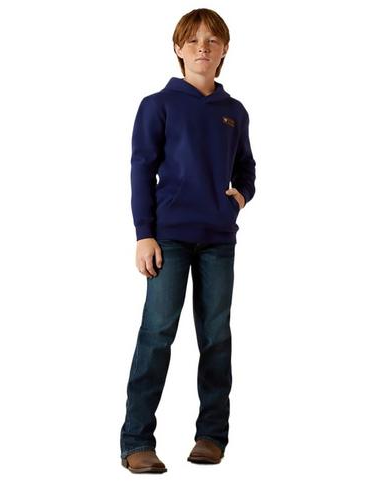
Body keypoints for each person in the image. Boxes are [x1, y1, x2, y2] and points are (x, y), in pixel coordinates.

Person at [120, 8, 256, 474]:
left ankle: (211, 437)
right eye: (194, 40)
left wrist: (239, 198)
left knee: (216, 336)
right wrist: (144, 234)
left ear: (224, 50)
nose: (203, 47)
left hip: (218, 239)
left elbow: (247, 168)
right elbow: (141, 168)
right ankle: (137, 440)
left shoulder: (234, 112)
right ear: (178, 48)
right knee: (157, 333)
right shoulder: (157, 105)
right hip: (170, 237)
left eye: (212, 40)